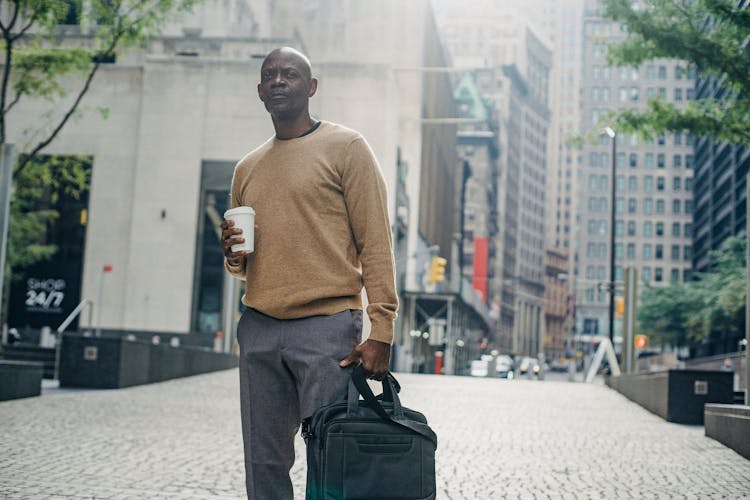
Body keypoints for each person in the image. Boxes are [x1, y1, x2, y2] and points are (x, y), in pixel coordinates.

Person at [219, 47, 398, 499]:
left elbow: (375, 242)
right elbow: (242, 267)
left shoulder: (347, 148)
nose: (279, 80)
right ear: (260, 91)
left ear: (311, 87)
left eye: (291, 74)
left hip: (327, 329)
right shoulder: (247, 168)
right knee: (262, 463)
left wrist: (382, 328)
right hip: (259, 328)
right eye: (270, 75)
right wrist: (233, 255)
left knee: (330, 457)